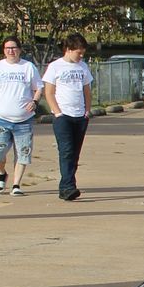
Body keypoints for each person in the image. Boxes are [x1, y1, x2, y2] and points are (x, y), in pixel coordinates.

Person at [0, 38, 41, 194]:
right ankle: (2, 173)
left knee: (23, 153)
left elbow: (38, 88)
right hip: (1, 117)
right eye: (7, 48)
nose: (11, 51)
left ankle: (16, 185)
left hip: (24, 119)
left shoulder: (28, 67)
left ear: (19, 49)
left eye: (14, 48)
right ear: (4, 50)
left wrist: (34, 101)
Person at [43, 35, 95, 202]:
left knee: (75, 153)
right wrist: (58, 113)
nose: (81, 56)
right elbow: (49, 92)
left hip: (80, 115)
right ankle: (67, 187)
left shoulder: (83, 67)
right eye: (78, 53)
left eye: (83, 53)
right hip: (63, 116)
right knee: (66, 151)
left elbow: (87, 90)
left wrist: (87, 111)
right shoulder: (55, 67)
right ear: (69, 49)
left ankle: (67, 185)